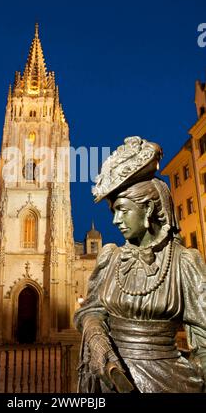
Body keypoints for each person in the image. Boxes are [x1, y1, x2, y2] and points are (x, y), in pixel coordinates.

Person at [74, 136, 206, 393]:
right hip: (108, 382)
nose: (115, 221)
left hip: (170, 382)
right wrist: (97, 339)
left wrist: (195, 378)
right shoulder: (110, 257)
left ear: (148, 210)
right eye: (113, 212)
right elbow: (89, 311)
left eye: (122, 210)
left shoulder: (184, 262)